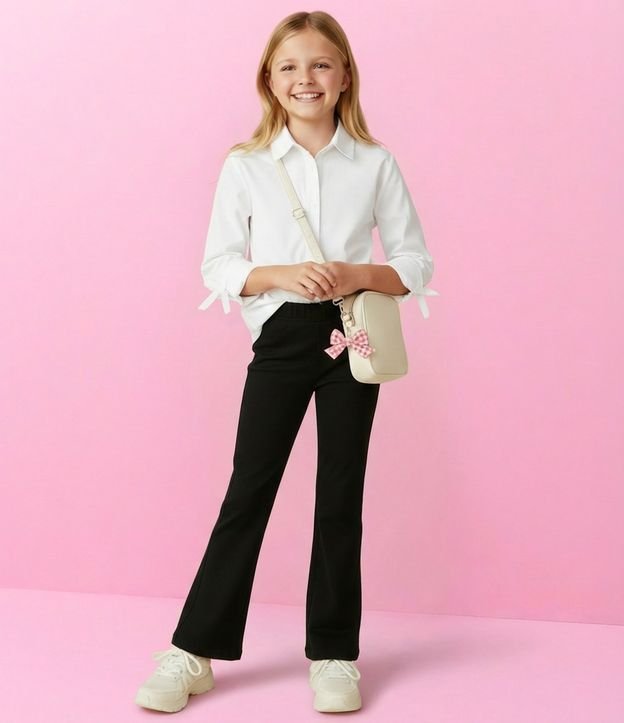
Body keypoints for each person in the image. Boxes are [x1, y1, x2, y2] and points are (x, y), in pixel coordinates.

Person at [135, 9, 438, 715]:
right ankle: (193, 650)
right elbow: (219, 265)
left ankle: (334, 653)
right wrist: (280, 274)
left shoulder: (374, 163)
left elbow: (416, 262)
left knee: (341, 493)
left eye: (321, 64)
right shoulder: (246, 164)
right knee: (249, 489)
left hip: (351, 336)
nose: (307, 78)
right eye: (290, 67)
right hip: (281, 336)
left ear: (344, 76)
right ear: (270, 81)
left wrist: (355, 273)